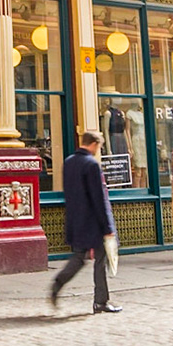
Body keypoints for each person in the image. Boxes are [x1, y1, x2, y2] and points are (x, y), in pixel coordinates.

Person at [51, 130, 117, 313]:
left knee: (79, 258)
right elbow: (99, 198)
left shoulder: (69, 162)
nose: (99, 150)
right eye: (100, 147)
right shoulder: (91, 165)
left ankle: (58, 282)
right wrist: (107, 226)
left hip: (76, 219)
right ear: (94, 144)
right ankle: (101, 301)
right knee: (100, 260)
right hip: (93, 222)